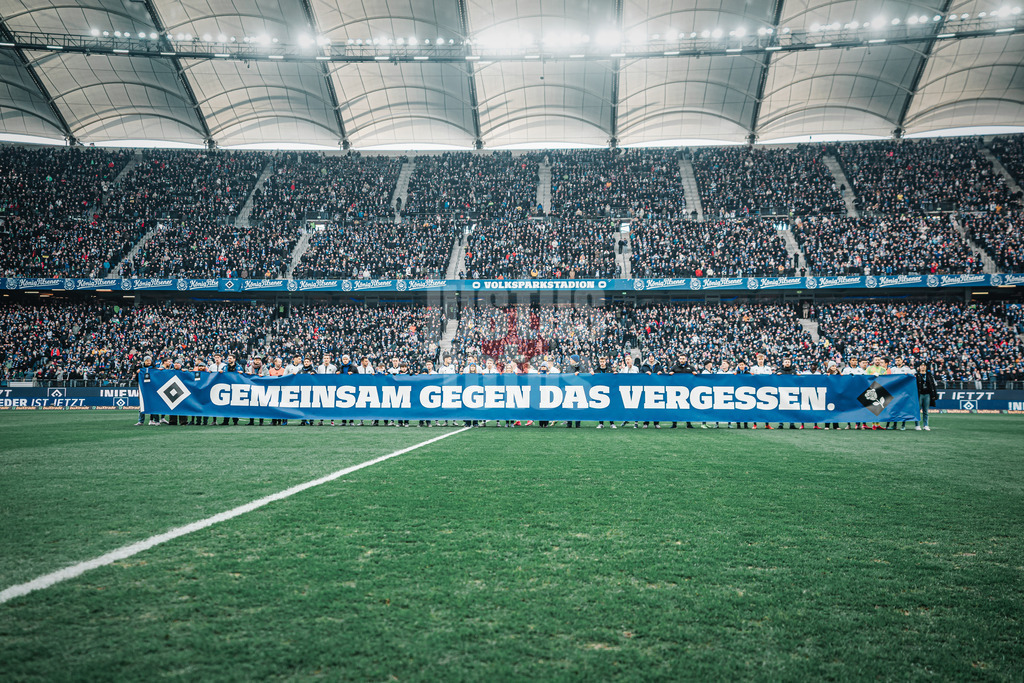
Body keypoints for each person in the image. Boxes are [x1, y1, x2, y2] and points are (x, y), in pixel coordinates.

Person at [886, 357, 914, 430]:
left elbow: (911, 378)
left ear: (902, 361)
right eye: (896, 360)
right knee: (894, 408)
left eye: (899, 360)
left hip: (903, 391)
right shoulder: (892, 369)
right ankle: (894, 424)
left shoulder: (906, 369)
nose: (897, 362)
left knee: (903, 408)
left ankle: (903, 425)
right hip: (895, 391)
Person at [669, 353, 696, 429]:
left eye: (683, 358)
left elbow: (696, 374)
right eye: (680, 358)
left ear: (686, 359)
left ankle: (688, 423)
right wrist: (670, 373)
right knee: (675, 407)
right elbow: (668, 375)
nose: (682, 360)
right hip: (676, 390)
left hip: (688, 390)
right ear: (678, 359)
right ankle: (674, 424)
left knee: (688, 407)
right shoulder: (674, 367)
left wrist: (695, 374)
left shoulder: (690, 367)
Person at [132, 354, 157, 426]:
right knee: (142, 405)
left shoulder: (154, 369)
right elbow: (136, 380)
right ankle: (141, 421)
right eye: (147, 360)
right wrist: (137, 374)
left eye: (149, 360)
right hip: (143, 390)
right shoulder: (141, 370)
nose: (148, 362)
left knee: (152, 405)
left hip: (152, 390)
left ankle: (152, 420)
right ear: (144, 362)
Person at [749, 353, 773, 429]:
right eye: (759, 359)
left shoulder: (768, 368)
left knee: (766, 407)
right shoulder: (753, 368)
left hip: (765, 389)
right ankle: (755, 424)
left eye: (762, 359)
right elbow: (750, 378)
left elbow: (771, 378)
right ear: (757, 360)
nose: (760, 361)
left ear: (764, 359)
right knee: (755, 406)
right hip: (756, 389)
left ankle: (767, 424)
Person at [594, 355, 617, 429]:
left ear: (605, 362)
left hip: (608, 390)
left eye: (603, 361)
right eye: (601, 361)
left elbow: (614, 379)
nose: (602, 363)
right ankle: (601, 423)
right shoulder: (596, 370)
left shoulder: (609, 370)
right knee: (601, 408)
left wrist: (615, 374)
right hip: (599, 391)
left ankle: (612, 423)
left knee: (610, 408)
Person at [915, 362, 938, 431]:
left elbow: (933, 385)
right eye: (921, 365)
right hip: (919, 394)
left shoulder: (929, 375)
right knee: (917, 410)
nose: (923, 367)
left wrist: (934, 394)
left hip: (927, 394)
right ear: (919, 367)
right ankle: (917, 425)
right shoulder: (916, 375)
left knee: (926, 411)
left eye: (924, 365)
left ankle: (926, 425)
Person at [619, 355, 640, 428]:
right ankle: (626, 419)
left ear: (631, 360)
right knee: (626, 405)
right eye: (626, 359)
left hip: (635, 388)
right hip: (626, 389)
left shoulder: (635, 368)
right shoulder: (624, 369)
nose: (627, 361)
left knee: (635, 405)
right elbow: (620, 377)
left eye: (628, 359)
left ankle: (636, 421)